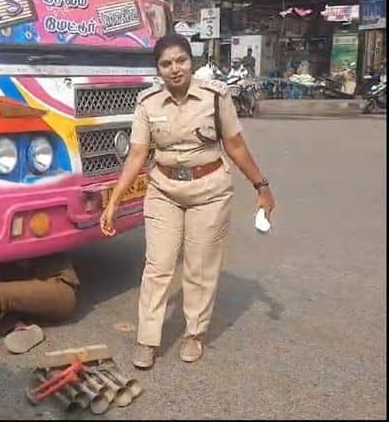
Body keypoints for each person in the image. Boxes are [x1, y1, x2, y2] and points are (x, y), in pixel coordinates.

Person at [100, 33, 275, 370]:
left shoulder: (214, 96)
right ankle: (147, 339)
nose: (175, 68)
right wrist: (114, 201)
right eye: (166, 64)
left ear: (191, 61)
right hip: (163, 190)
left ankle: (194, 333)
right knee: (158, 266)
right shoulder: (148, 103)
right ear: (158, 69)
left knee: (200, 266)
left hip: (209, 191)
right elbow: (137, 154)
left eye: (180, 60)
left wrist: (261, 186)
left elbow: (235, 146)